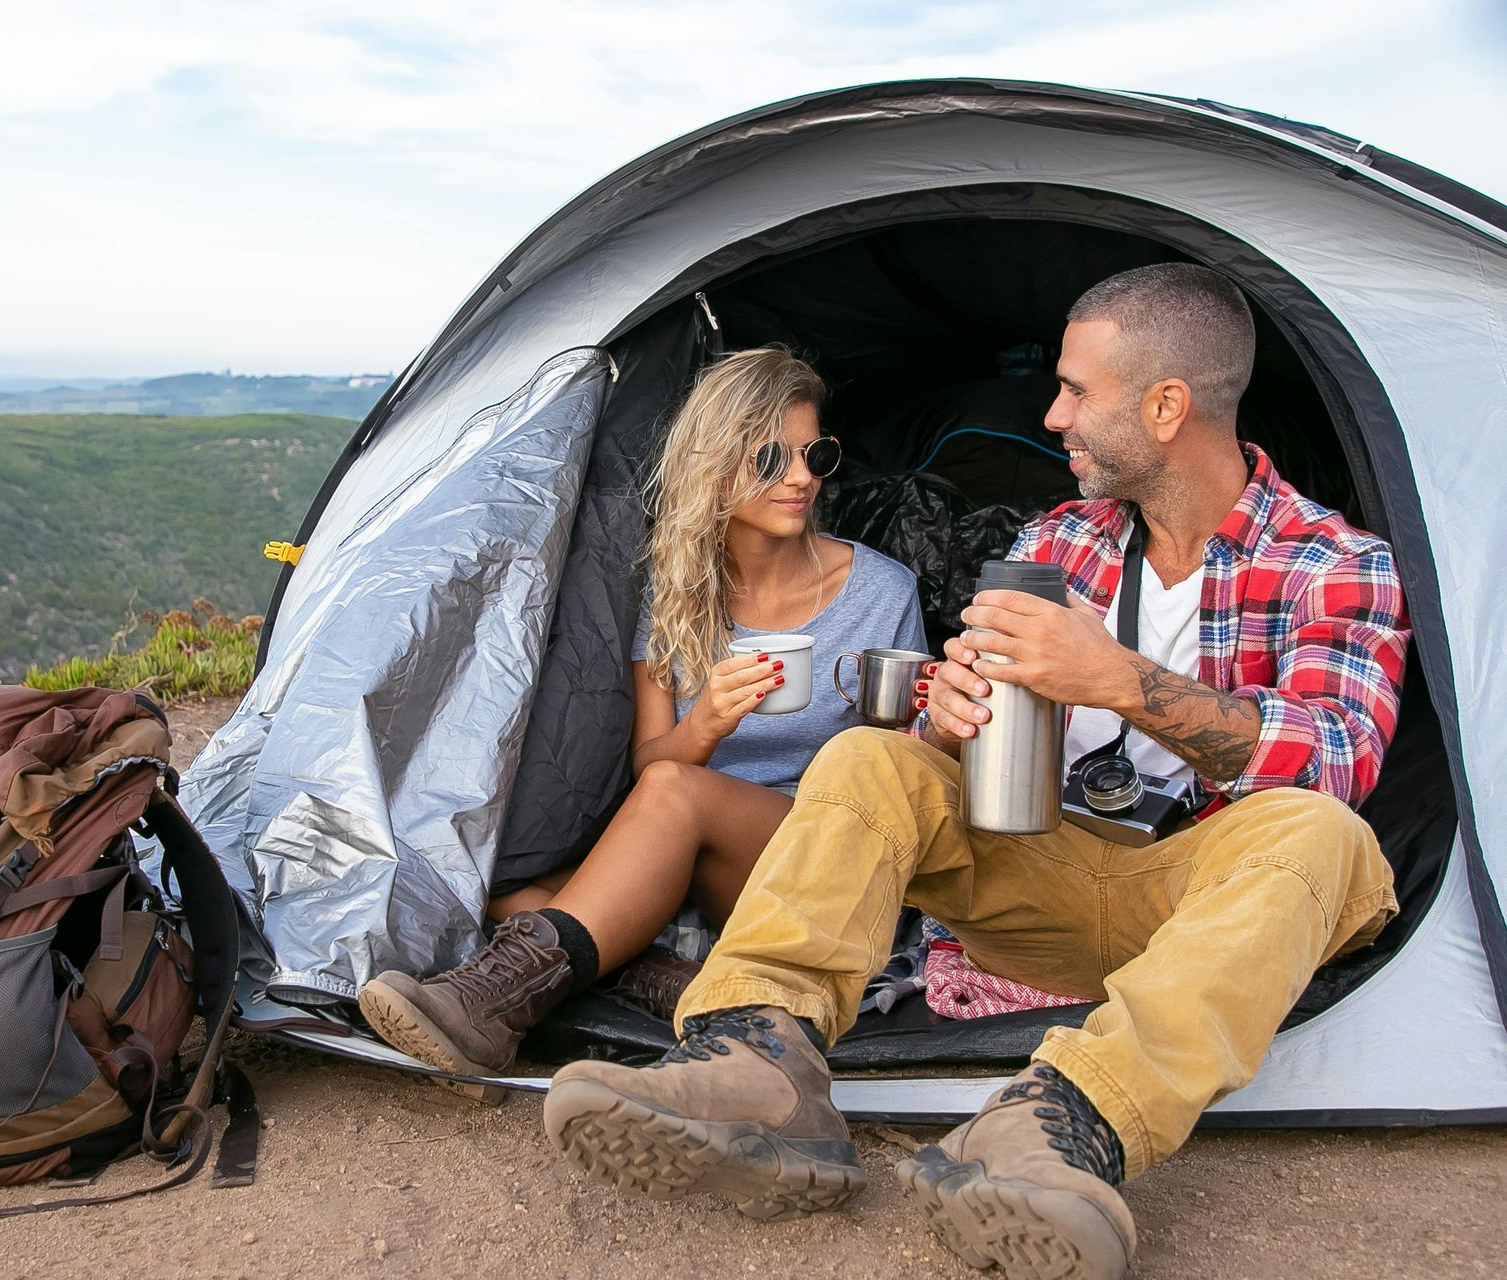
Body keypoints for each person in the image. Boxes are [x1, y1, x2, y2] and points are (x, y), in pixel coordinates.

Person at [543, 264, 1409, 1280]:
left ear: (1167, 406)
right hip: (1039, 871)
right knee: (872, 757)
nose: (1051, 414)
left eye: (1077, 390)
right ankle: (755, 1062)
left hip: (1206, 901)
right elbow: (947, 727)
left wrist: (1124, 680)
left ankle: (1059, 1125)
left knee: (1325, 836)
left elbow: (1339, 761)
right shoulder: (1058, 542)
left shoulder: (1332, 561)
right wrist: (945, 716)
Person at [357, 346, 925, 1093]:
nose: (801, 478)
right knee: (502, 887)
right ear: (713, 465)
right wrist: (709, 725)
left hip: (821, 853)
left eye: (816, 454)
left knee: (674, 798)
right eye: (770, 458)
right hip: (696, 857)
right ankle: (676, 987)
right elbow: (651, 761)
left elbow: (906, 777)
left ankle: (486, 1008)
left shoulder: (882, 592)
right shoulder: (673, 592)